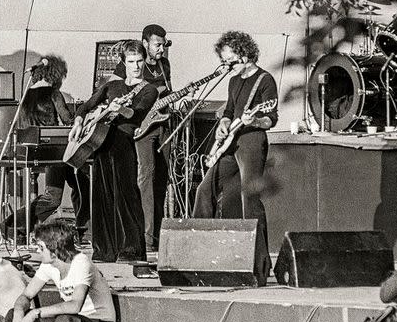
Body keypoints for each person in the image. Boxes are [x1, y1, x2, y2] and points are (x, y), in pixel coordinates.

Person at [192, 31, 278, 286]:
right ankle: (198, 252)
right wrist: (224, 123)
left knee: (249, 198)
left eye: (231, 60)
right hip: (230, 142)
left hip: (252, 141)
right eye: (226, 61)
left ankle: (260, 264)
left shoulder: (265, 80)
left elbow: (271, 118)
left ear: (245, 53)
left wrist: (257, 120)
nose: (229, 65)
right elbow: (229, 111)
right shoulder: (233, 81)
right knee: (204, 189)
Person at [69, 40, 158, 262]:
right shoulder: (111, 86)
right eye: (131, 62)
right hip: (101, 143)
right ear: (123, 62)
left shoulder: (149, 89)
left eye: (139, 61)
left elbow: (137, 115)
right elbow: (85, 106)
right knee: (101, 196)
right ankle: (104, 250)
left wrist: (122, 109)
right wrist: (79, 121)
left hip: (123, 143)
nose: (136, 66)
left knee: (127, 196)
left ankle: (131, 249)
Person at [8, 54, 90, 233]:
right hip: (51, 152)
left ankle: (83, 226)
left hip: (30, 153)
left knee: (79, 181)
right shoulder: (53, 93)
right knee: (56, 196)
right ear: (56, 75)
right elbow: (67, 120)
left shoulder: (25, 96)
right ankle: (14, 224)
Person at [7, 221, 116, 322]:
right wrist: (19, 313)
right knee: (12, 316)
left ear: (54, 250)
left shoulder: (81, 262)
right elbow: (26, 295)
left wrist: (35, 313)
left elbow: (75, 305)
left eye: (41, 247)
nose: (37, 251)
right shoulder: (48, 265)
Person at [114, 24, 172, 253]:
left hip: (163, 125)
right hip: (142, 129)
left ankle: (157, 234)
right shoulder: (131, 65)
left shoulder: (164, 64)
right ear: (145, 43)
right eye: (157, 45)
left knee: (161, 180)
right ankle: (146, 237)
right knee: (145, 179)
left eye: (164, 45)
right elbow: (115, 90)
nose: (161, 50)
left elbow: (166, 93)